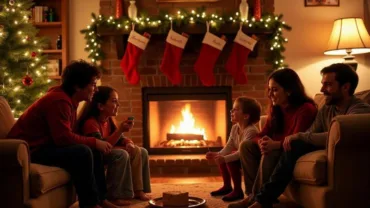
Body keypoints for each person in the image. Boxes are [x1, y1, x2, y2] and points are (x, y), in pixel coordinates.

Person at [247, 63, 370, 208]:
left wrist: (297, 136)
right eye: (322, 84)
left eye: (328, 85)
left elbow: (335, 136)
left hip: (342, 157)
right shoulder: (327, 108)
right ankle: (258, 198)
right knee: (291, 144)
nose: (322, 90)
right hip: (316, 145)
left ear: (346, 87)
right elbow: (311, 132)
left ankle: (262, 200)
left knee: (293, 144)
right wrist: (298, 137)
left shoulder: (360, 110)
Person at [7, 60, 119, 208]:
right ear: (77, 86)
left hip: (45, 146)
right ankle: (90, 204)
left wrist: (94, 143)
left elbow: (64, 134)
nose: (96, 90)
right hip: (30, 151)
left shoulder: (68, 100)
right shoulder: (59, 101)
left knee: (92, 149)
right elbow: (63, 138)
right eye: (92, 84)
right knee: (83, 151)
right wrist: (94, 141)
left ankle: (100, 199)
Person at [228, 68, 318, 208]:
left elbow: (296, 140)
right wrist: (262, 142)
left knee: (270, 151)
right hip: (275, 147)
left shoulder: (305, 109)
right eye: (269, 89)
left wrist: (274, 145)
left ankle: (258, 200)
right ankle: (252, 195)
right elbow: (260, 134)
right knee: (246, 146)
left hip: (289, 151)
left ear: (289, 90)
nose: (270, 94)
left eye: (274, 90)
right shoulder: (277, 108)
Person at [77, 86, 151, 206]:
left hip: (107, 151)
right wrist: (120, 130)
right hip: (96, 156)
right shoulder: (91, 123)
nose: (118, 105)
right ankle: (115, 195)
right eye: (114, 101)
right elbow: (102, 146)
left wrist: (128, 143)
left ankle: (138, 190)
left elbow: (120, 139)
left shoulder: (108, 120)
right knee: (120, 154)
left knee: (141, 151)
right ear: (101, 106)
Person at [206, 97, 261, 201]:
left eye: (235, 109)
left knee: (230, 158)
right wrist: (218, 154)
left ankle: (237, 191)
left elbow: (241, 153)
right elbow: (229, 146)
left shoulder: (251, 131)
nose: (231, 111)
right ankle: (227, 186)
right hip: (241, 157)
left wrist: (224, 158)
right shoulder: (235, 128)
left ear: (246, 116)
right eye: (232, 109)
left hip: (251, 161)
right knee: (226, 156)